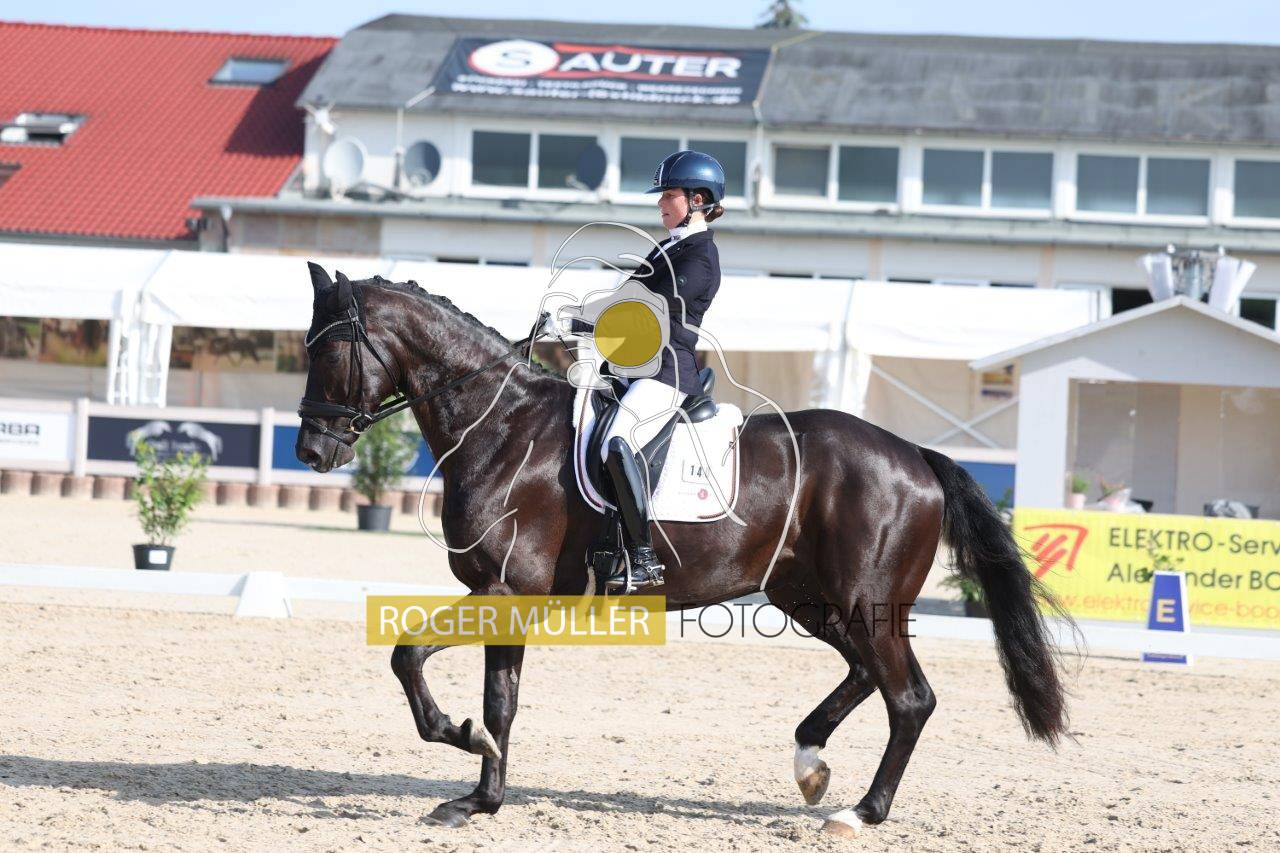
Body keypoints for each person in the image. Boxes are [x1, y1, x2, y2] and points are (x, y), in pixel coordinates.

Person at [600, 149, 725, 590]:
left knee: (617, 443)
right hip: (633, 368)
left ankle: (643, 558)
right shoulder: (667, 246)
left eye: (669, 195)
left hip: (666, 374)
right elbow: (625, 296)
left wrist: (599, 317)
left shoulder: (701, 256)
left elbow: (653, 305)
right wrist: (577, 315)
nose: (660, 203)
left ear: (697, 200)